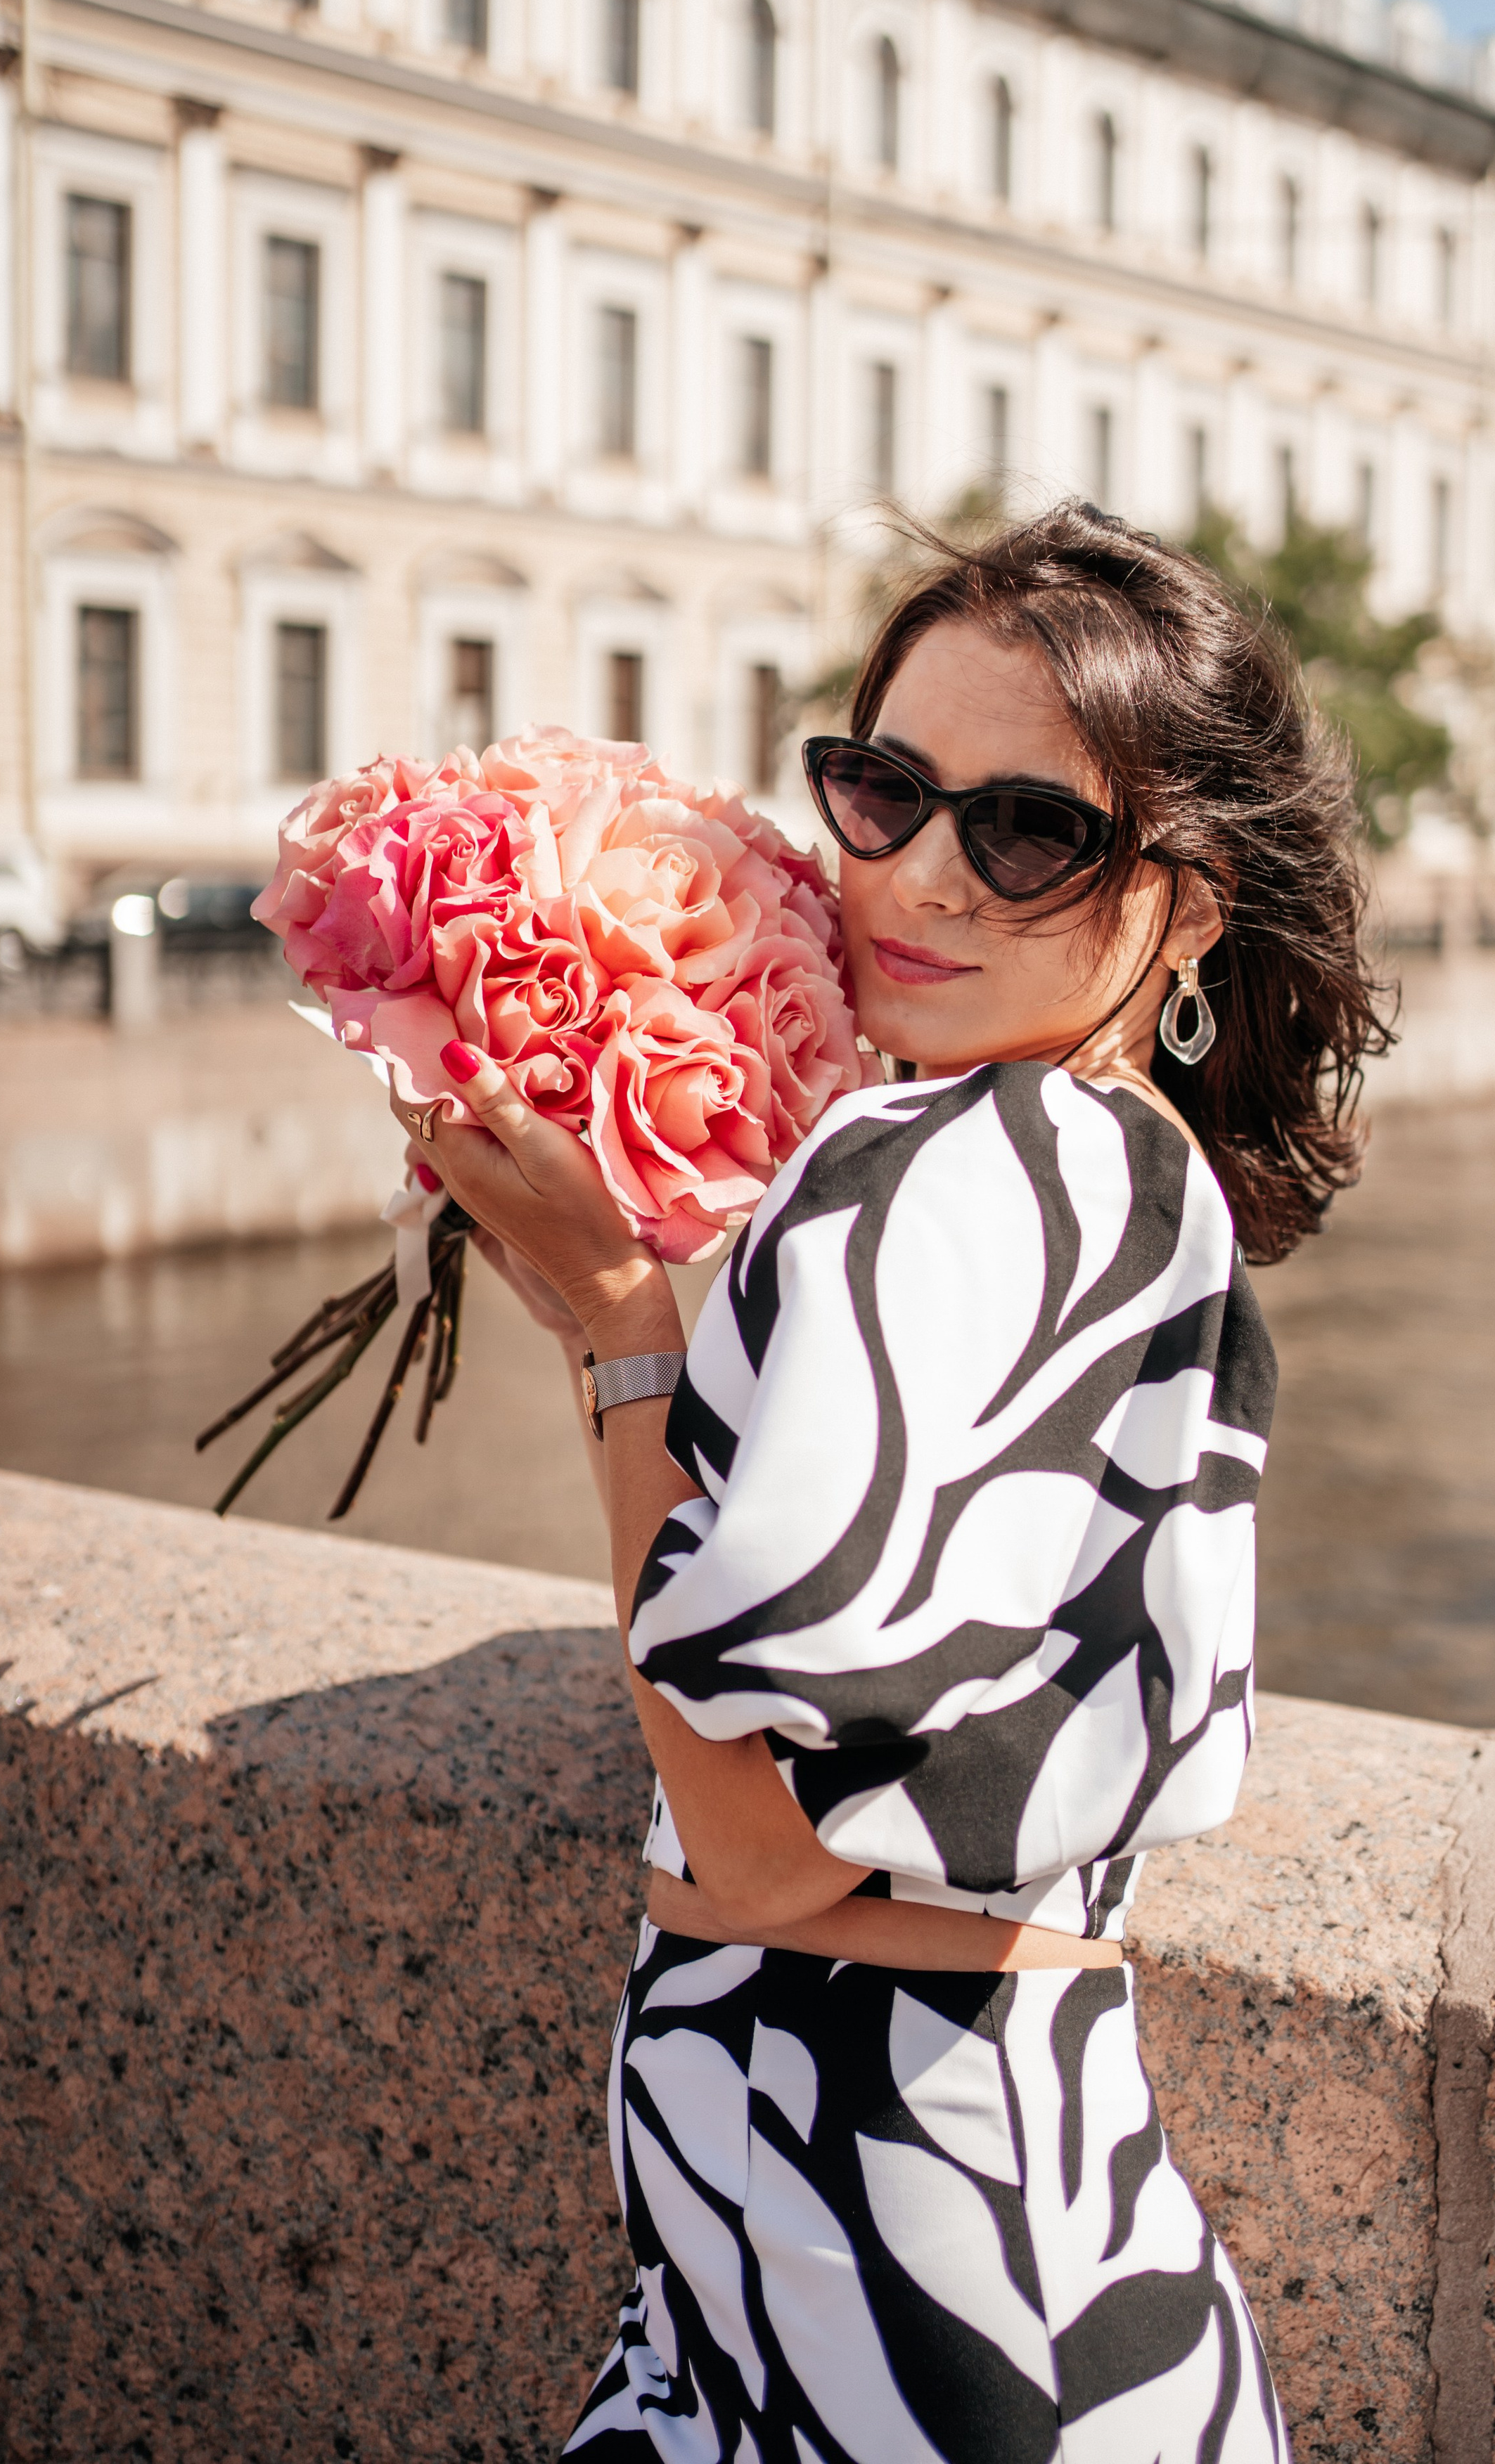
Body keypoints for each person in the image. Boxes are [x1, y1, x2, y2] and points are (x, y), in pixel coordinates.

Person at [395, 505, 1388, 2463]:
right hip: (984, 2238)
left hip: (882, 2292)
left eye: (1027, 833)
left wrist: (618, 1323)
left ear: (1185, 904)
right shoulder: (1114, 1181)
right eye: (880, 790)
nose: (920, 874)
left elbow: (759, 1851)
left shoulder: (935, 1179)